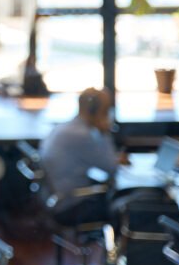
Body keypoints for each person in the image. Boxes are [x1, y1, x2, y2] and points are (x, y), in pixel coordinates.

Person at [40, 87, 123, 225]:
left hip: (54, 198)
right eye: (106, 111)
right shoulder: (82, 136)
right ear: (97, 111)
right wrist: (105, 132)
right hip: (70, 204)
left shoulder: (64, 128)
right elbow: (111, 167)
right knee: (122, 206)